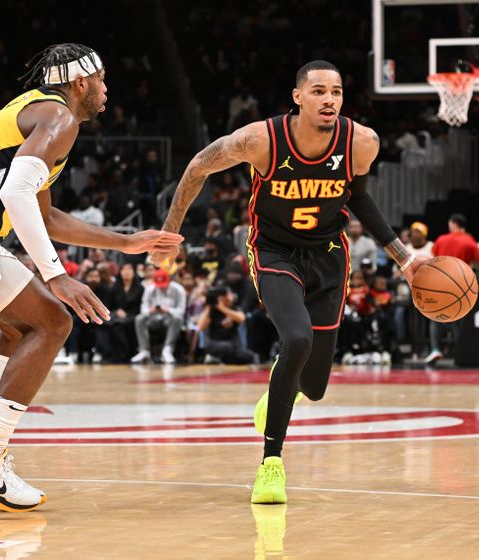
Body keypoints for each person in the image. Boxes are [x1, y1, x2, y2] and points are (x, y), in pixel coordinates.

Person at [0, 42, 182, 512]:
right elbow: (18, 193)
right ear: (81, 82)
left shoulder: (40, 119)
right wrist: (57, 275)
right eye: (102, 79)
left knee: (22, 328)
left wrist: (125, 242)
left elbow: (43, 216)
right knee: (53, 322)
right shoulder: (58, 118)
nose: (106, 89)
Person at [151, 60, 427, 503]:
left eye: (336, 92)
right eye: (318, 91)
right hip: (274, 250)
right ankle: (271, 464)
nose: (329, 100)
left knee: (314, 387)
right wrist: (170, 233)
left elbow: (359, 198)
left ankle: (279, 394)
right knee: (296, 340)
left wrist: (403, 258)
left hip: (330, 256)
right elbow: (198, 166)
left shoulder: (361, 142)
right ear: (297, 96)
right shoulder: (260, 140)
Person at [424, 213, 479, 363]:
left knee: (435, 316)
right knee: (459, 318)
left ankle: (435, 349)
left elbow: (431, 260)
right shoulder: (470, 242)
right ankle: (461, 350)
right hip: (462, 285)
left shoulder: (441, 240)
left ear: (452, 224)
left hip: (440, 284)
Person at [131, 268, 186, 364]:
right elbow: (144, 307)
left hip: (169, 319)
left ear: (168, 281)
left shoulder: (179, 290)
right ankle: (144, 350)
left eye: (163, 285)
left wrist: (168, 310)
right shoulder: (150, 289)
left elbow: (181, 311)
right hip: (154, 318)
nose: (161, 287)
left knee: (178, 318)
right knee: (139, 318)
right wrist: (150, 310)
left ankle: (167, 350)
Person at [198, 285, 256, 365]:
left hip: (233, 345)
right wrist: (208, 306)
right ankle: (216, 358)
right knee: (226, 347)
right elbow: (201, 327)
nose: (231, 295)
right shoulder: (212, 312)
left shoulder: (234, 309)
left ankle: (217, 359)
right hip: (215, 343)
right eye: (229, 294)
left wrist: (221, 307)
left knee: (247, 355)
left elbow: (241, 318)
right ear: (222, 297)